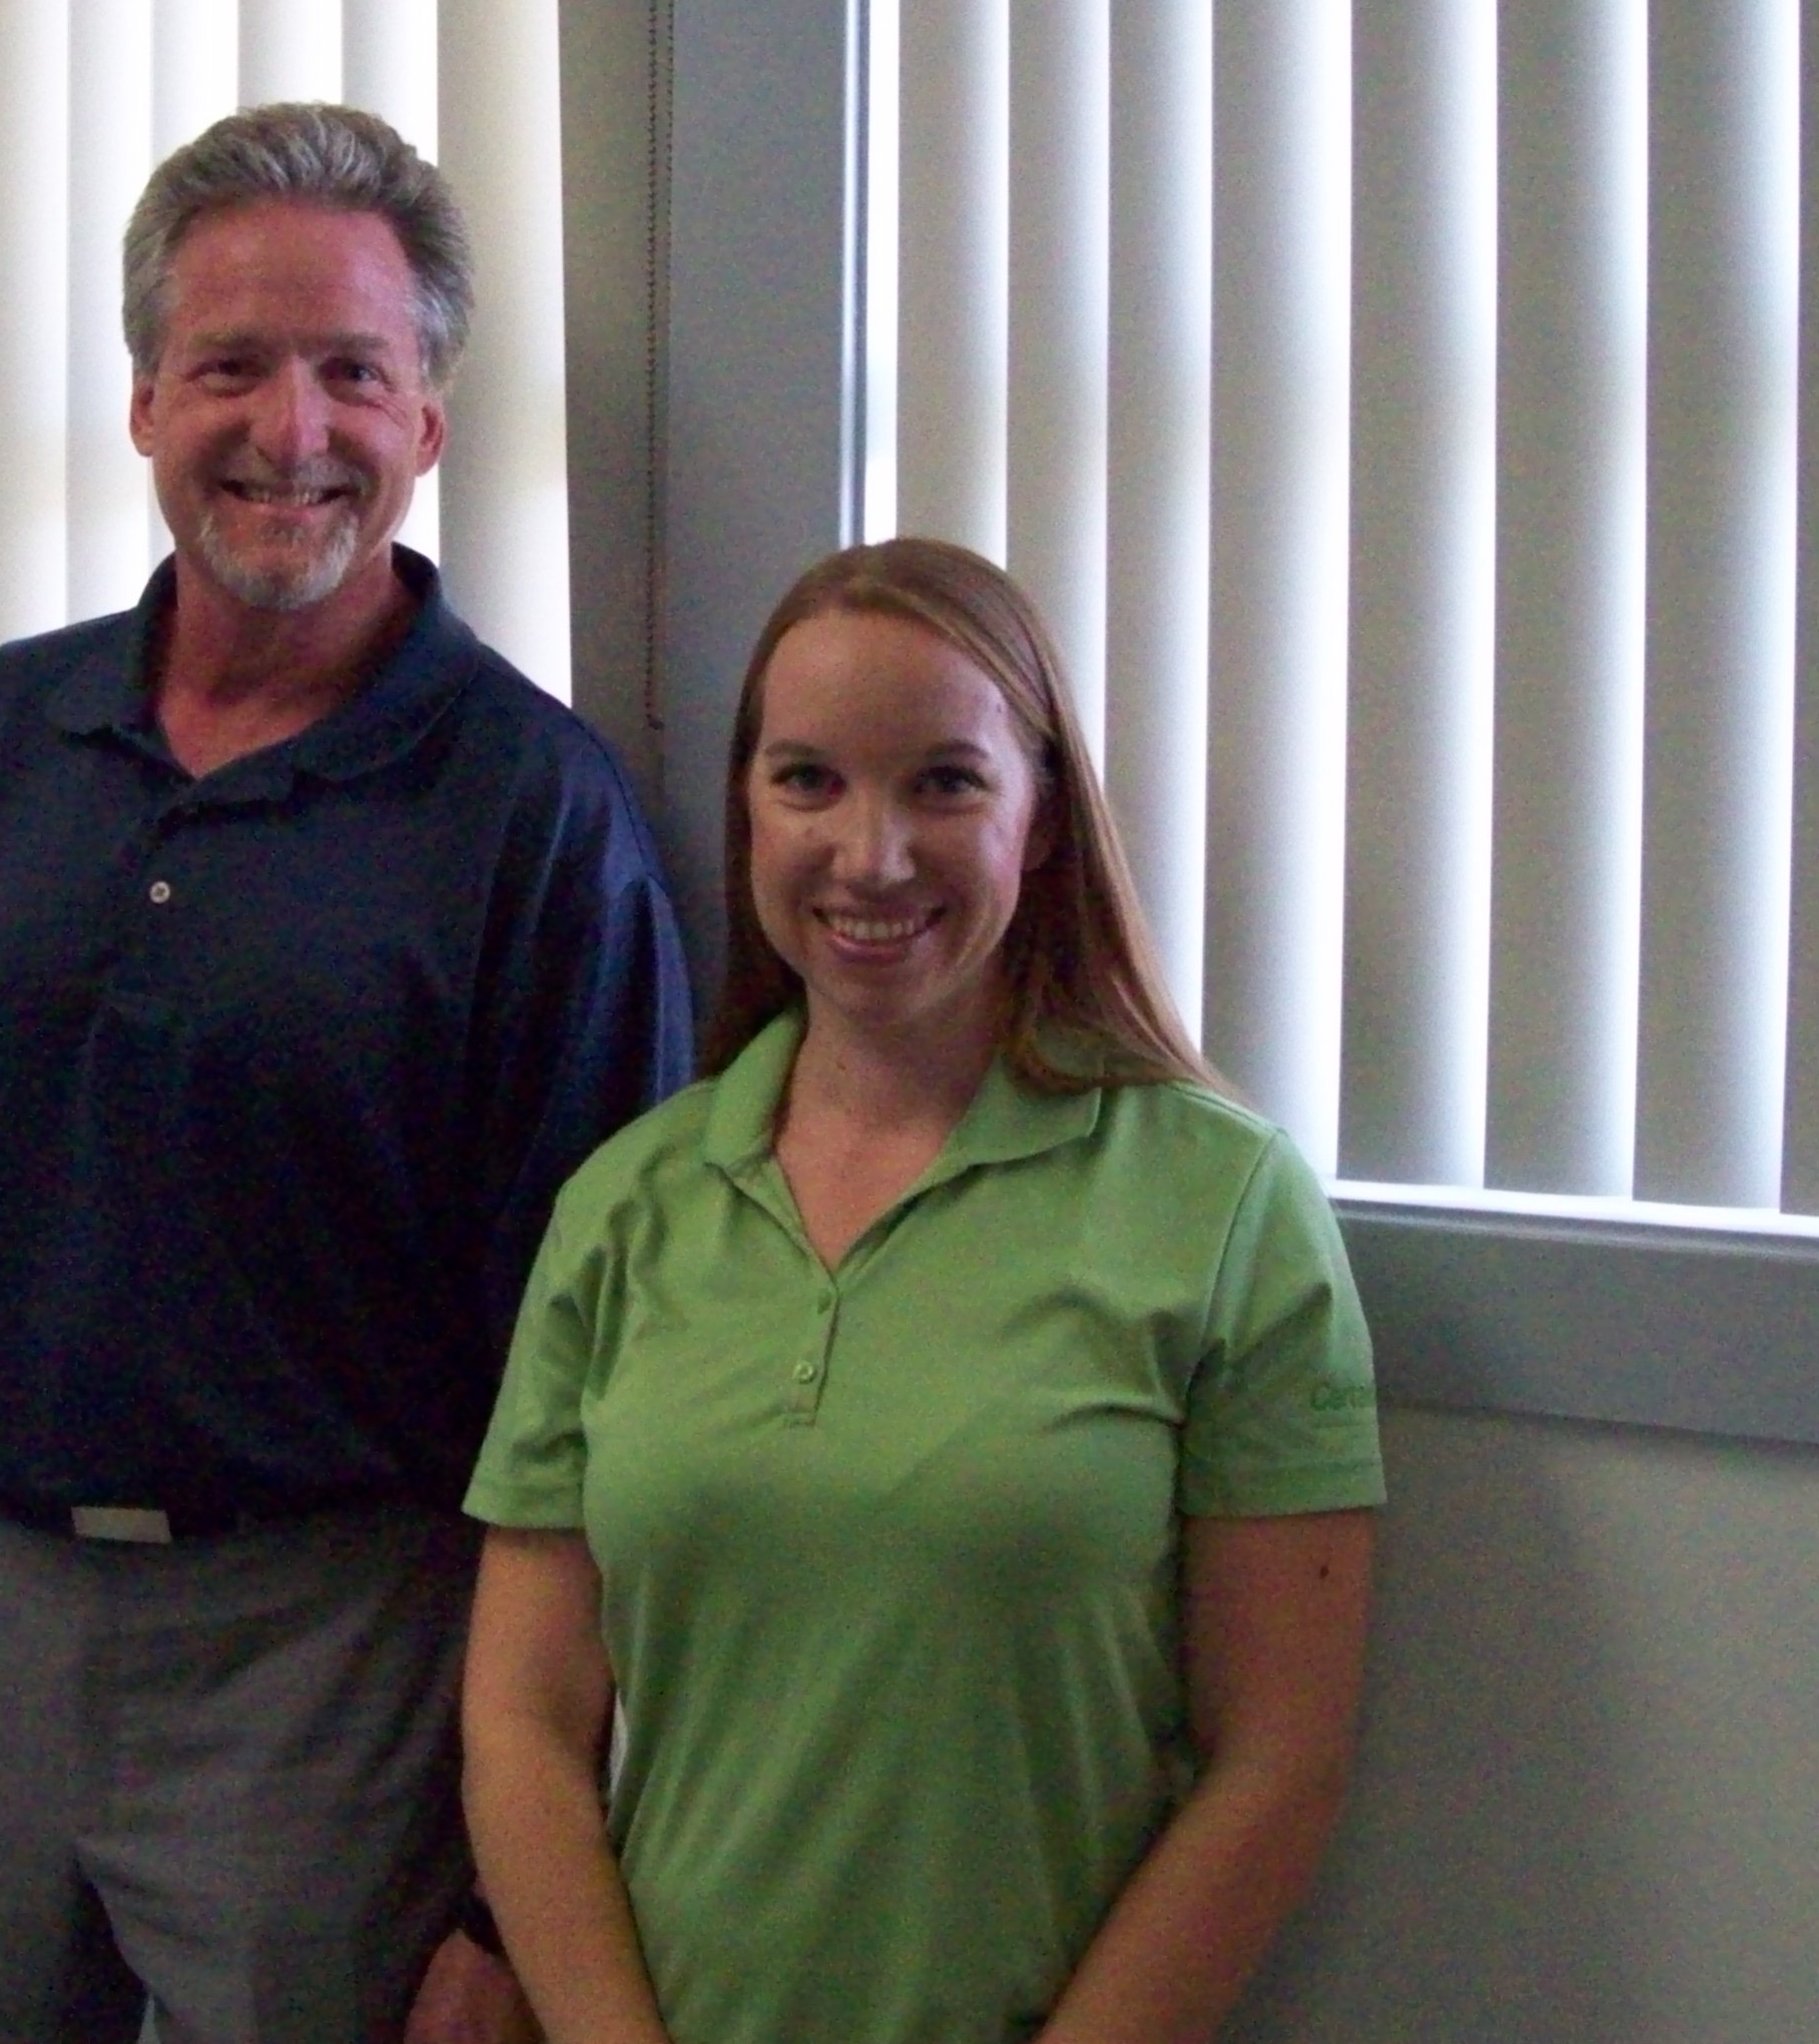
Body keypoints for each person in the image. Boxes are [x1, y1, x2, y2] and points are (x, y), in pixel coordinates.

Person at [0, 103, 693, 2044]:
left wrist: (511, 1884)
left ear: (427, 423)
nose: (290, 429)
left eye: (352, 374)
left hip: (329, 1642)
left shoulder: (539, 818)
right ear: (145, 400)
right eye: (229, 366)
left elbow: (592, 1389)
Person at [459, 538, 1383, 2044]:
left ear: (1042, 820)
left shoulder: (1223, 1206)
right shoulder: (626, 1206)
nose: (870, 854)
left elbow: (1276, 1765)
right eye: (807, 781)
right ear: (747, 809)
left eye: (944, 783)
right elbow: (523, 1723)